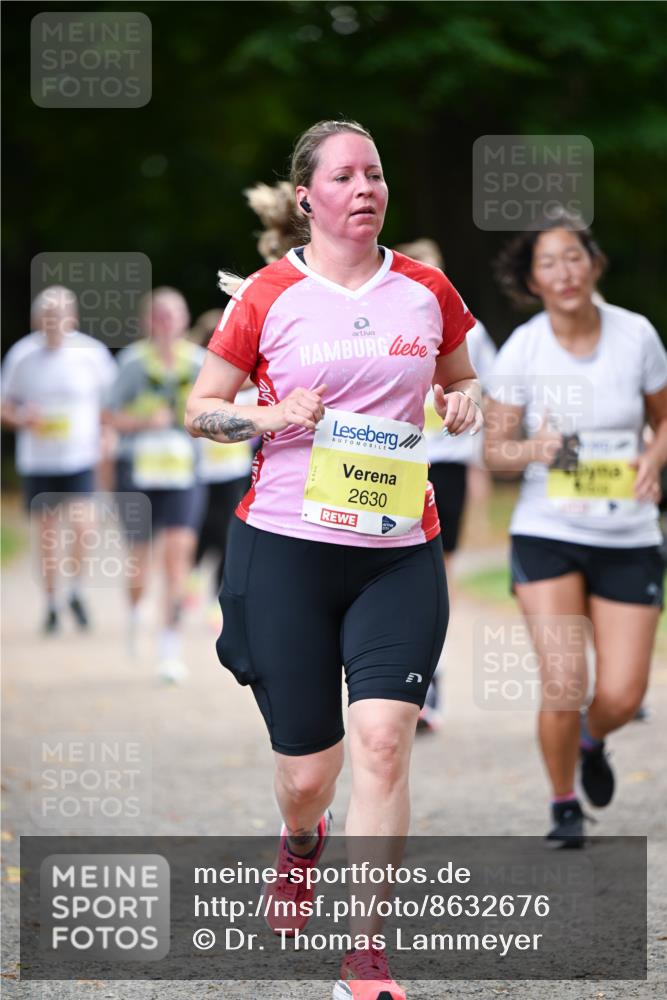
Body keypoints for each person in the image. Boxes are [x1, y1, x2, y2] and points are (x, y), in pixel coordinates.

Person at [186, 119, 482, 1000]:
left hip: (397, 550)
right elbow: (201, 409)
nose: (365, 188)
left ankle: (365, 955)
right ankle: (301, 838)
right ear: (307, 195)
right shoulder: (270, 295)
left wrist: (464, 404)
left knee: (384, 743)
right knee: (309, 773)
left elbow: (461, 380)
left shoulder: (426, 289)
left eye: (376, 174)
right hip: (284, 549)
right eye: (346, 176)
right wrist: (271, 418)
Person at [485, 209, 667, 847]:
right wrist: (534, 449)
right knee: (565, 681)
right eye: (548, 263)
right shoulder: (523, 348)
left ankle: (593, 738)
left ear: (594, 263)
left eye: (574, 257)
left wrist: (653, 457)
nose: (564, 272)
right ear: (532, 280)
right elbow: (493, 450)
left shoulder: (636, 335)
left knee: (620, 693)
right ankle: (564, 802)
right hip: (549, 530)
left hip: (629, 534)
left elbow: (665, 419)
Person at [396, 239, 497, 731]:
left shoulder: (466, 330)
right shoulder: (385, 322)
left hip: (449, 465)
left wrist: (479, 464)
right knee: (392, 569)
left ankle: (428, 677)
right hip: (396, 460)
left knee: (439, 573)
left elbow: (483, 391)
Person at [1, 286, 117, 632]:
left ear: (73, 317)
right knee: (48, 534)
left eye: (60, 315)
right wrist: (22, 419)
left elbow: (110, 403)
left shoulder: (91, 353)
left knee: (83, 528)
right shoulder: (22, 355)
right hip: (39, 460)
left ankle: (76, 591)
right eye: (47, 316)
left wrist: (108, 434)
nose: (53, 322)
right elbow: (5, 405)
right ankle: (51, 603)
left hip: (79, 455)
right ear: (38, 319)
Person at [105, 287, 206, 683]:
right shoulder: (132, 363)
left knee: (178, 561)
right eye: (158, 315)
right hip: (137, 474)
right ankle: (134, 614)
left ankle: (170, 649)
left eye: (173, 315)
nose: (166, 322)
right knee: (139, 565)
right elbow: (107, 416)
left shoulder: (198, 363)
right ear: (147, 321)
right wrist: (146, 422)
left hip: (183, 474)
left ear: (184, 320)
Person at [186, 309, 256, 624]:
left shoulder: (250, 381)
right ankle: (188, 583)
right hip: (197, 473)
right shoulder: (195, 376)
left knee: (227, 533)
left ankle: (217, 597)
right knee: (201, 530)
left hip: (233, 472)